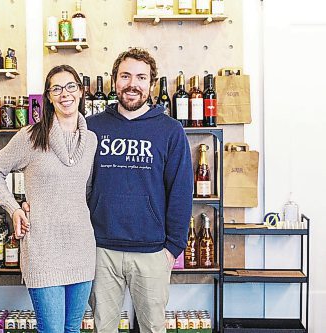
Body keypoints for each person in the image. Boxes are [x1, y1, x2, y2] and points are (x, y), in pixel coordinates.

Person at [0, 64, 98, 333]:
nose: (64, 94)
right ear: (48, 97)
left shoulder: (91, 140)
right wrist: (14, 208)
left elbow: (88, 190)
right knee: (53, 331)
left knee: (73, 329)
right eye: (56, 89)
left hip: (81, 247)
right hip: (43, 249)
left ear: (80, 92)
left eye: (70, 86)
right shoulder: (31, 137)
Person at [86, 48, 193, 332]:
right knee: (103, 328)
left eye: (141, 77)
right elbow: (75, 183)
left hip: (153, 252)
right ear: (114, 81)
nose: (132, 84)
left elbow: (181, 192)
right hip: (101, 249)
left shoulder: (170, 131)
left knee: (152, 328)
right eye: (125, 76)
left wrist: (173, 249)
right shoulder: (91, 128)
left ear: (151, 85)